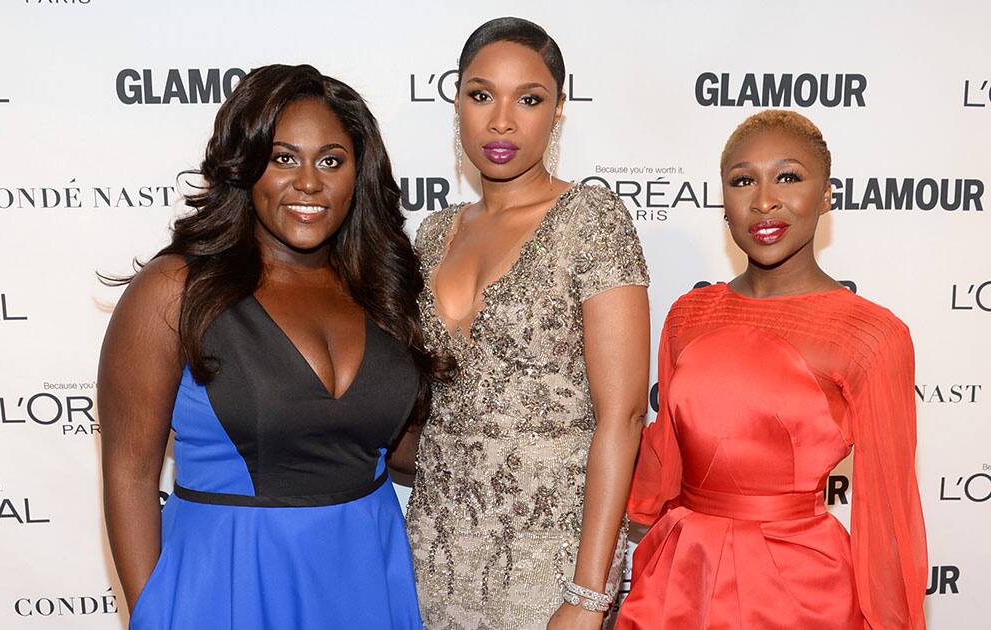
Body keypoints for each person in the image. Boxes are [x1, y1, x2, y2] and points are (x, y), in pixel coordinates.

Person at [98, 63, 449, 629]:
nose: (308, 182)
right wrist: (155, 616)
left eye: (331, 161)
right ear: (246, 166)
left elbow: (403, 447)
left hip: (365, 577)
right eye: (284, 157)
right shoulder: (174, 291)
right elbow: (130, 474)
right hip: (229, 583)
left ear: (358, 174)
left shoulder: (384, 287)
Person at [618, 110, 927, 629]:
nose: (764, 200)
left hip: (799, 592)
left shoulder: (872, 334)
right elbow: (666, 456)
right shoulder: (687, 315)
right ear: (723, 200)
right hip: (680, 578)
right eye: (744, 180)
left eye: (789, 176)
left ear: (827, 194)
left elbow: (889, 511)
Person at [404, 17, 651, 630]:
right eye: (481, 94)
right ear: (456, 99)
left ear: (559, 109)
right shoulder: (434, 233)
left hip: (552, 557)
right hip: (435, 550)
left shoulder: (591, 219)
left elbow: (620, 415)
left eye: (530, 99)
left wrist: (588, 593)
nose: (502, 121)